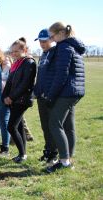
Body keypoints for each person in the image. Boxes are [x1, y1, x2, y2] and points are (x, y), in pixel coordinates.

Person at [46, 22, 85, 173]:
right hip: (75, 90)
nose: (52, 39)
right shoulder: (73, 46)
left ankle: (64, 162)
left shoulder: (63, 47)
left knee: (54, 123)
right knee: (68, 125)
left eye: (52, 36)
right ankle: (68, 158)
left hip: (67, 91)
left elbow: (61, 75)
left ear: (61, 33)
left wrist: (51, 96)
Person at [2, 38, 37, 163]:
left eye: (16, 51)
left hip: (22, 100)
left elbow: (25, 84)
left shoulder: (29, 63)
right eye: (12, 52)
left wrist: (11, 97)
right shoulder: (16, 64)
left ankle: (22, 154)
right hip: (13, 100)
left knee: (11, 127)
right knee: (19, 126)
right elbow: (10, 83)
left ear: (24, 50)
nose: (14, 54)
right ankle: (23, 154)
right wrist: (4, 96)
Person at [33, 28, 59, 164]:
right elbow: (40, 77)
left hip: (51, 97)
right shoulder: (42, 55)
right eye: (40, 41)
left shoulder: (55, 53)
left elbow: (56, 76)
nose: (42, 43)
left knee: (52, 126)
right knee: (44, 126)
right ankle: (48, 150)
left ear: (51, 39)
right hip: (41, 97)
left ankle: (54, 153)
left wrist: (50, 93)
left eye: (45, 40)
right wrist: (36, 92)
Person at [0, 48, 11, 156]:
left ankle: (5, 148)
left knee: (4, 124)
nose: (5, 62)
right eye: (4, 61)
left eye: (7, 61)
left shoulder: (8, 69)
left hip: (5, 100)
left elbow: (5, 85)